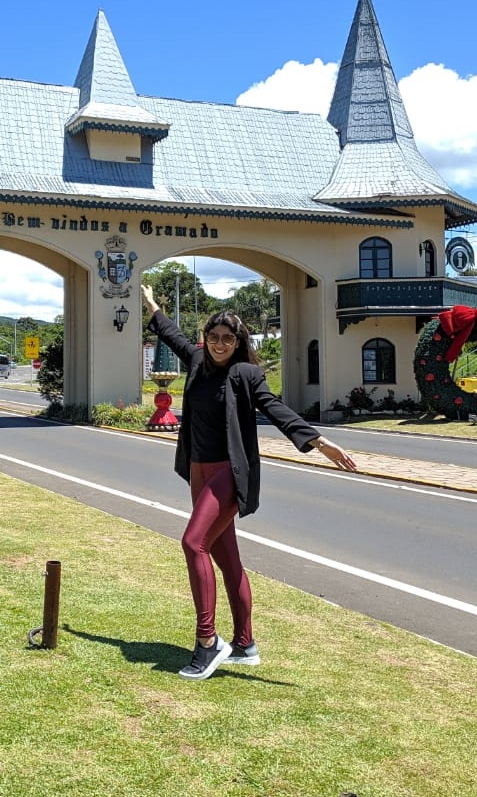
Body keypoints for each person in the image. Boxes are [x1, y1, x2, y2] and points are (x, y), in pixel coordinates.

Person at [141, 284, 358, 681]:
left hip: (229, 473)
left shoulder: (246, 374)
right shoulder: (196, 361)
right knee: (227, 559)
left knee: (193, 543)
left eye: (228, 338)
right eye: (214, 336)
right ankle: (245, 644)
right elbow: (172, 334)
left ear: (238, 342)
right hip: (199, 471)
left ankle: (208, 642)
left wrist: (318, 441)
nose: (219, 344)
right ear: (206, 338)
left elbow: (274, 408)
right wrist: (153, 305)